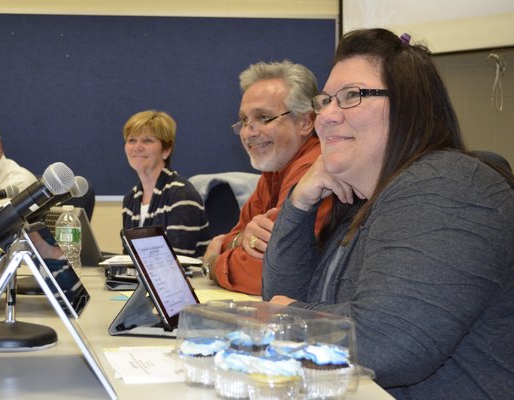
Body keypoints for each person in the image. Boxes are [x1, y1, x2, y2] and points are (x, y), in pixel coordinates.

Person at [263, 28, 514, 399]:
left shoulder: (446, 185)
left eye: (351, 96)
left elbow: (388, 344)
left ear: (409, 106)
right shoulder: (365, 199)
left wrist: (289, 316)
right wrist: (301, 202)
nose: (326, 117)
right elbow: (282, 293)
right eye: (325, 100)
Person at [202, 60, 331, 295]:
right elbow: (233, 237)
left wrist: (212, 264)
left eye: (263, 117)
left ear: (305, 122)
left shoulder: (316, 171)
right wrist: (239, 241)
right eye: (244, 120)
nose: (248, 131)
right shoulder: (272, 173)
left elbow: (268, 274)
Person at [122, 110, 211, 258]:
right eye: (132, 140)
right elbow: (129, 257)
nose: (137, 147)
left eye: (147, 140)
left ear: (166, 150)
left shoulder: (181, 195)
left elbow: (178, 260)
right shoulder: (131, 199)